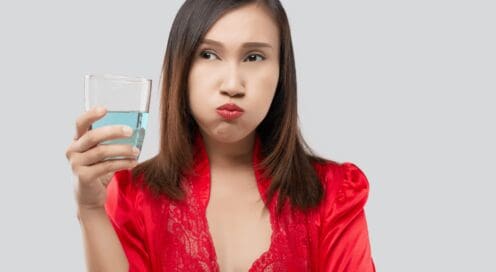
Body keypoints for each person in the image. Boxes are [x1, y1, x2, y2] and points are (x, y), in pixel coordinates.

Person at [65, 0, 375, 271]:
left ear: (282, 72)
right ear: (181, 67)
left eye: (254, 57)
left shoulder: (334, 194)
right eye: (209, 54)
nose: (232, 84)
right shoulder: (134, 197)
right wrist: (91, 210)